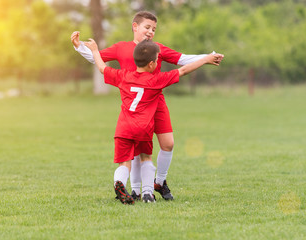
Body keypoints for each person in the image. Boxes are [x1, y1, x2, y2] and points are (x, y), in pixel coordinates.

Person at [71, 11, 224, 201]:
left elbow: (183, 60)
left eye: (154, 29)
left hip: (155, 100)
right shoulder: (121, 48)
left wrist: (208, 56)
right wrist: (79, 47)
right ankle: (138, 190)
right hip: (135, 105)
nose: (150, 32)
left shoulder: (156, 49)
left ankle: (159, 181)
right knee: (139, 149)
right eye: (147, 27)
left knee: (168, 144)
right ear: (135, 27)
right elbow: (98, 59)